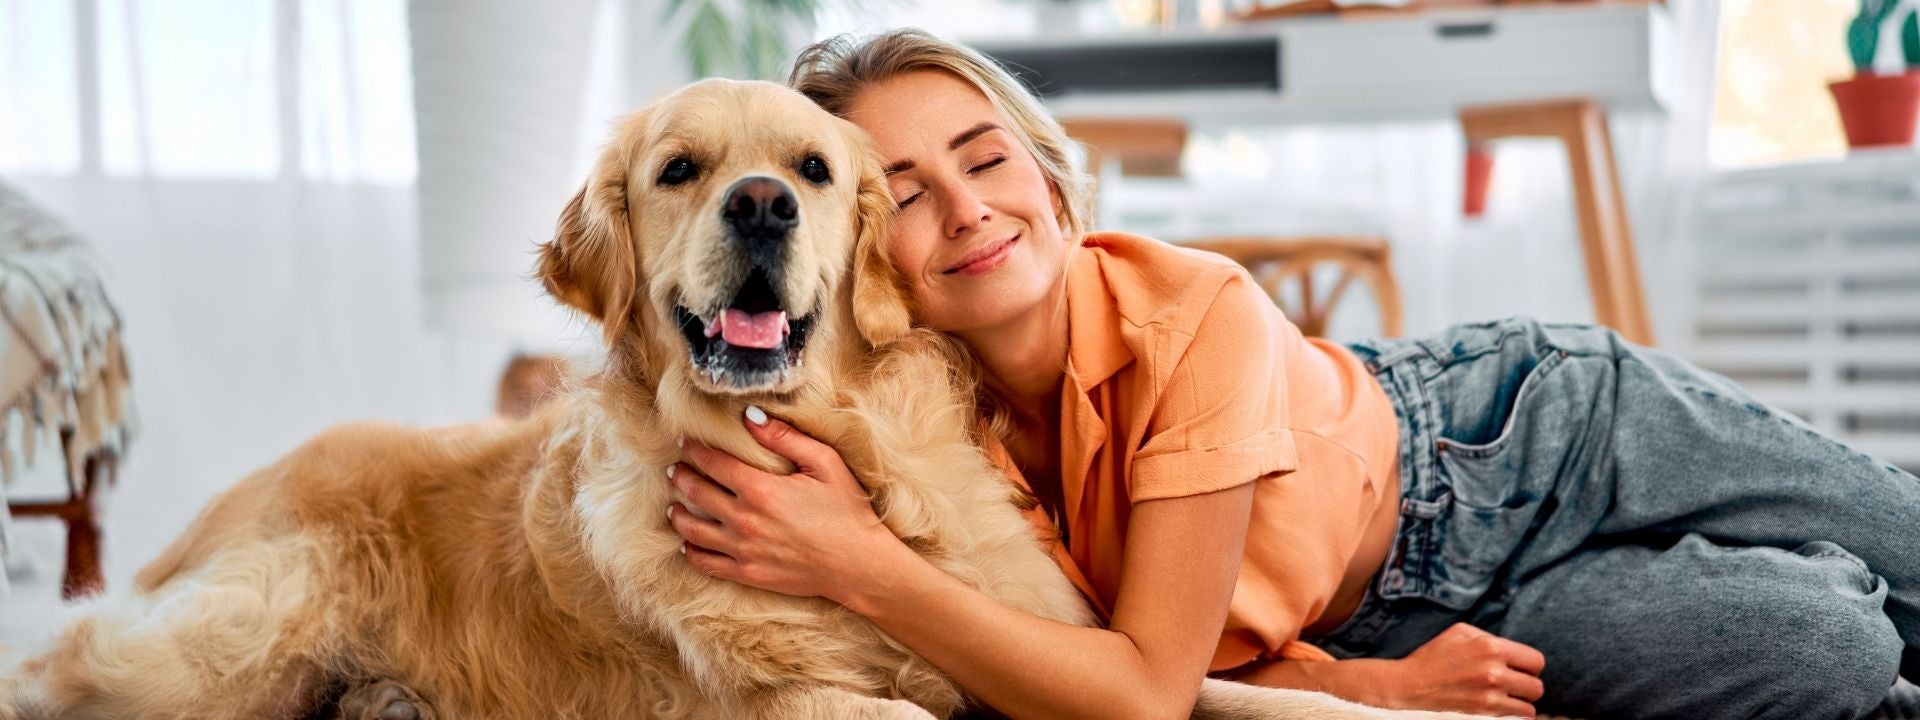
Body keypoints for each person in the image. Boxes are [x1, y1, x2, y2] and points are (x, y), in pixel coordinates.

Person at [661, 28, 1920, 719]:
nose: (968, 212)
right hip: (1393, 610)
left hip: (1519, 433)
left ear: (1046, 177)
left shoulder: (1194, 306)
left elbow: (1144, 694)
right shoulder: (925, 429)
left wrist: (858, 566)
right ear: (853, 247)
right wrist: (1364, 685)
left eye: (987, 161)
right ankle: (1833, 593)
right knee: (1829, 650)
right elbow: (1116, 663)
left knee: (1904, 534)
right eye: (904, 194)